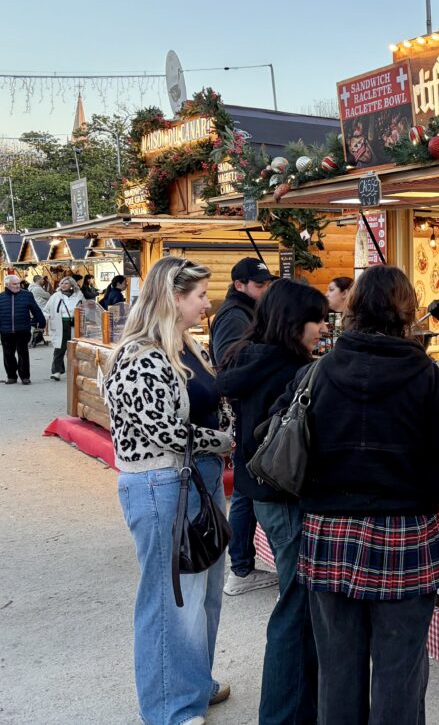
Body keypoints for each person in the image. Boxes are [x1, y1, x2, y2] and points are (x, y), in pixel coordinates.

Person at [285, 265, 439, 724]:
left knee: (336, 667)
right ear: (406, 311)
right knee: (399, 668)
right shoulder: (433, 381)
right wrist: (426, 486)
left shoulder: (316, 374)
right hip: (406, 533)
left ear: (352, 309)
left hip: (329, 532)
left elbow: (283, 447)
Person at [102, 257, 234, 725]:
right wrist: (219, 440)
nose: (207, 302)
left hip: (198, 478)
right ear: (172, 298)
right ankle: (170, 708)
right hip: (162, 483)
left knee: (204, 594)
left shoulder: (186, 345)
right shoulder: (140, 355)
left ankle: (192, 683)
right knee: (171, 599)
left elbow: (211, 402)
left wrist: (222, 434)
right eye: (199, 294)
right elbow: (163, 430)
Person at [217, 280, 327, 725]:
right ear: (292, 323)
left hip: (260, 489)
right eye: (316, 320)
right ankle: (283, 715)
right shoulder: (287, 368)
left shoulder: (248, 355)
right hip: (284, 494)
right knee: (297, 610)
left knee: (295, 603)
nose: (322, 328)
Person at [210, 256, 278, 597]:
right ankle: (240, 568)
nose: (265, 290)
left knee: (246, 490)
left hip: (246, 413)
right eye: (260, 285)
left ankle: (242, 566)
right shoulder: (234, 315)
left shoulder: (245, 311)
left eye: (267, 284)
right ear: (240, 285)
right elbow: (230, 367)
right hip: (244, 414)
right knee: (245, 492)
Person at [2, 274, 46, 385]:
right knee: (8, 354)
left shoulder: (27, 295)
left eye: (18, 283)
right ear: (7, 285)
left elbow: (36, 310)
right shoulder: (1, 297)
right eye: (14, 284)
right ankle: (11, 376)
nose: (18, 286)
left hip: (23, 330)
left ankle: (25, 377)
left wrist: (42, 323)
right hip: (6, 331)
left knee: (23, 354)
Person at [44, 275, 82, 381]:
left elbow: (85, 308)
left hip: (75, 324)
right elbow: (47, 310)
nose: (63, 285)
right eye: (62, 283)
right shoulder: (56, 296)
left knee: (75, 349)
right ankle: (56, 371)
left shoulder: (79, 295)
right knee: (59, 348)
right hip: (60, 324)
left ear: (71, 285)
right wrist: (43, 321)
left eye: (66, 283)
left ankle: (75, 371)